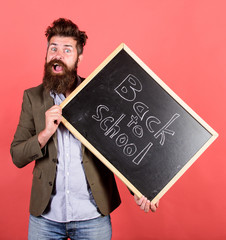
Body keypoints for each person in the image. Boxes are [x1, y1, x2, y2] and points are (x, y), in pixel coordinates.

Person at [10, 18, 159, 240]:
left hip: (92, 216)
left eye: (67, 50)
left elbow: (120, 144)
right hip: (45, 218)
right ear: (46, 54)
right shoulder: (32, 98)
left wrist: (141, 189)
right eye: (53, 48)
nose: (58, 55)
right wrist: (44, 134)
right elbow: (17, 155)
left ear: (79, 57)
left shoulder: (98, 93)